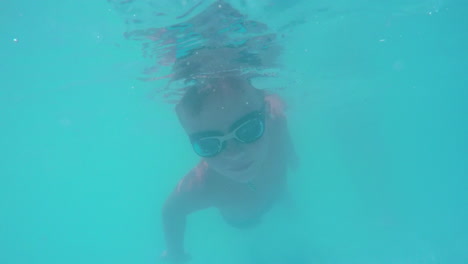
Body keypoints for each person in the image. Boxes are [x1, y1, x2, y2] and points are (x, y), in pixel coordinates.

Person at [160, 76, 298, 263]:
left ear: (265, 114)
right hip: (242, 219)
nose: (234, 154)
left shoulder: (277, 122)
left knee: (282, 198)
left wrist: (290, 153)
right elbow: (172, 211)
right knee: (249, 235)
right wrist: (175, 251)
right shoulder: (205, 185)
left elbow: (282, 129)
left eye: (249, 129)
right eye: (208, 144)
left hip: (275, 192)